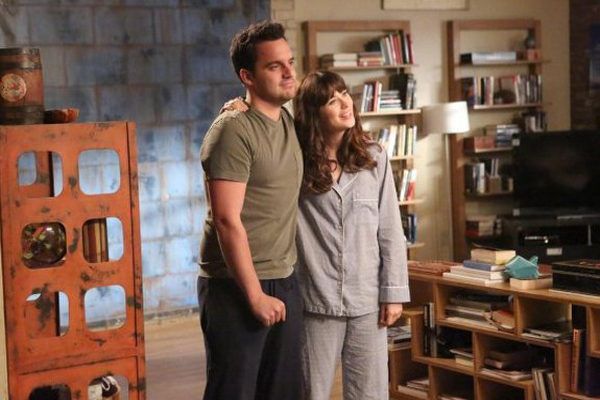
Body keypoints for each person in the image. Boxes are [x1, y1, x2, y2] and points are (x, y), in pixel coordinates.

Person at [197, 20, 304, 400]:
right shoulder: (233, 130)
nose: (288, 72)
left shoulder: (288, 120)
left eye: (290, 61)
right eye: (274, 66)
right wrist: (255, 295)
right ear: (248, 76)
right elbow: (226, 221)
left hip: (284, 276)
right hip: (236, 284)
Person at [294, 70, 410, 400]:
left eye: (344, 93)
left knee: (370, 395)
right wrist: (238, 108)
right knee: (310, 393)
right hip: (315, 301)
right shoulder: (296, 161)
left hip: (368, 301)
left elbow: (390, 229)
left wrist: (393, 293)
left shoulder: (375, 158)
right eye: (332, 100)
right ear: (314, 114)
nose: (346, 103)